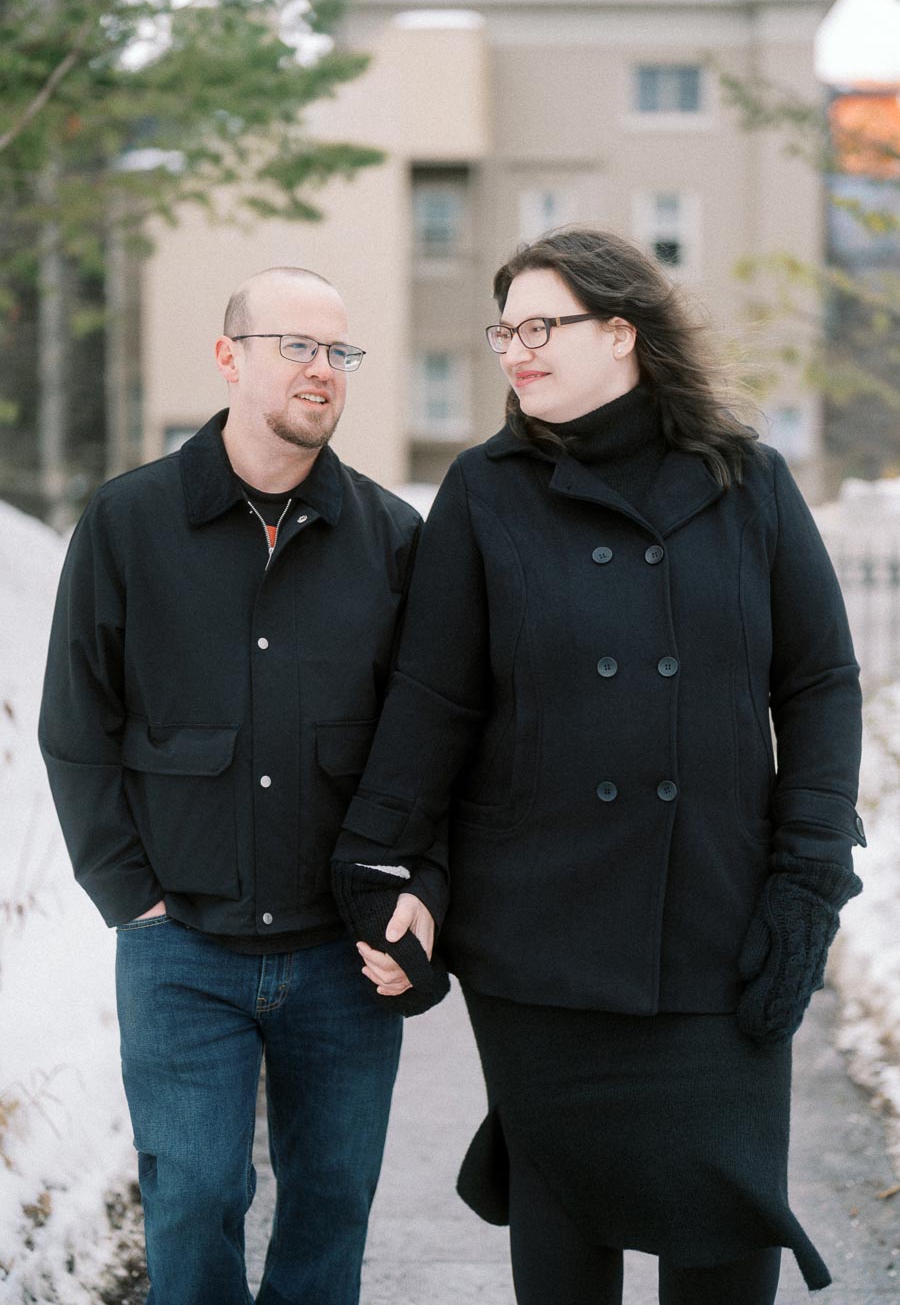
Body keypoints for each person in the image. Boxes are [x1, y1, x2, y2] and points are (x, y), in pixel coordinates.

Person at [331, 228, 866, 1304]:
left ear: (621, 332)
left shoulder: (746, 481)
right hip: (541, 937)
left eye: (543, 326)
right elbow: (437, 700)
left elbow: (819, 683)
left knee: (723, 1234)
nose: (515, 350)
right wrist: (382, 862)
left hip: (717, 924)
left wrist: (807, 877)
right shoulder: (484, 491)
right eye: (505, 330)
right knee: (563, 1230)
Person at [38, 266, 442, 1305]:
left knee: (331, 1201)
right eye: (296, 347)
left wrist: (422, 887)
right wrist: (131, 896)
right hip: (183, 949)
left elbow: (430, 742)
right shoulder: (129, 523)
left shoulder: (393, 540)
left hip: (338, 953)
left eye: (339, 353)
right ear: (229, 357)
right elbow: (77, 726)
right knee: (195, 1196)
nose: (322, 371)